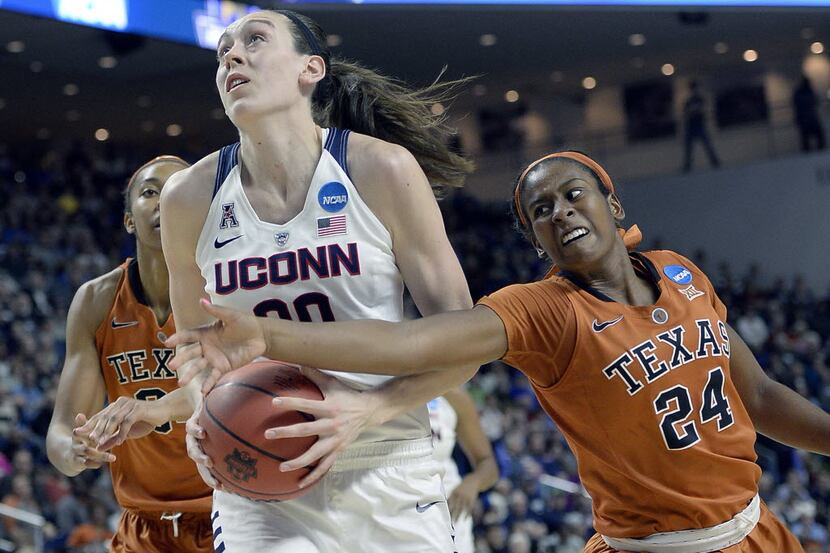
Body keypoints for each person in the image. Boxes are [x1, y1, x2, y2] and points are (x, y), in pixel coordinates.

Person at [169, 150, 830, 553]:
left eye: (574, 194)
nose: (561, 210)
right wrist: (269, 334)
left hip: (758, 528)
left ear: (612, 202)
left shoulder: (682, 272)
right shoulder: (543, 310)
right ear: (536, 240)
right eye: (541, 209)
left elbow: (762, 394)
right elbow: (415, 339)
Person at [158, 8, 477, 553]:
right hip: (253, 468)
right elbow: (198, 350)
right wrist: (200, 411)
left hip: (384, 460)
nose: (231, 56)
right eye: (222, 52)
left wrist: (373, 407)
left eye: (255, 40)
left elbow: (465, 345)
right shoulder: (188, 197)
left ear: (311, 69)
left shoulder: (381, 169)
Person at [46, 156, 214, 553]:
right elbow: (61, 431)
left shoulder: (227, 289)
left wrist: (148, 410)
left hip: (227, 509)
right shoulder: (96, 301)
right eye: (151, 191)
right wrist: (74, 451)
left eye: (178, 190)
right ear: (129, 220)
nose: (164, 200)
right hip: (142, 526)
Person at [428, 388, 499, 553]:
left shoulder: (454, 395)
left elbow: (488, 465)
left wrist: (472, 482)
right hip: (392, 492)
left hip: (449, 501)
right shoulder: (380, 381)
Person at [682, 81, 720, 172]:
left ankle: (714, 161)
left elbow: (703, 110)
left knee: (707, 144)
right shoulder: (688, 101)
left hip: (699, 125)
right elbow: (686, 113)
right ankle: (687, 165)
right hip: (691, 126)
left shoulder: (700, 99)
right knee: (689, 148)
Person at [792, 76, 826, 152]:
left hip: (806, 118)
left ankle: (812, 151)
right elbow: (815, 101)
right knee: (814, 136)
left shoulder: (801, 92)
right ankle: (817, 151)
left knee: (808, 137)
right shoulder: (806, 92)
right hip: (809, 118)